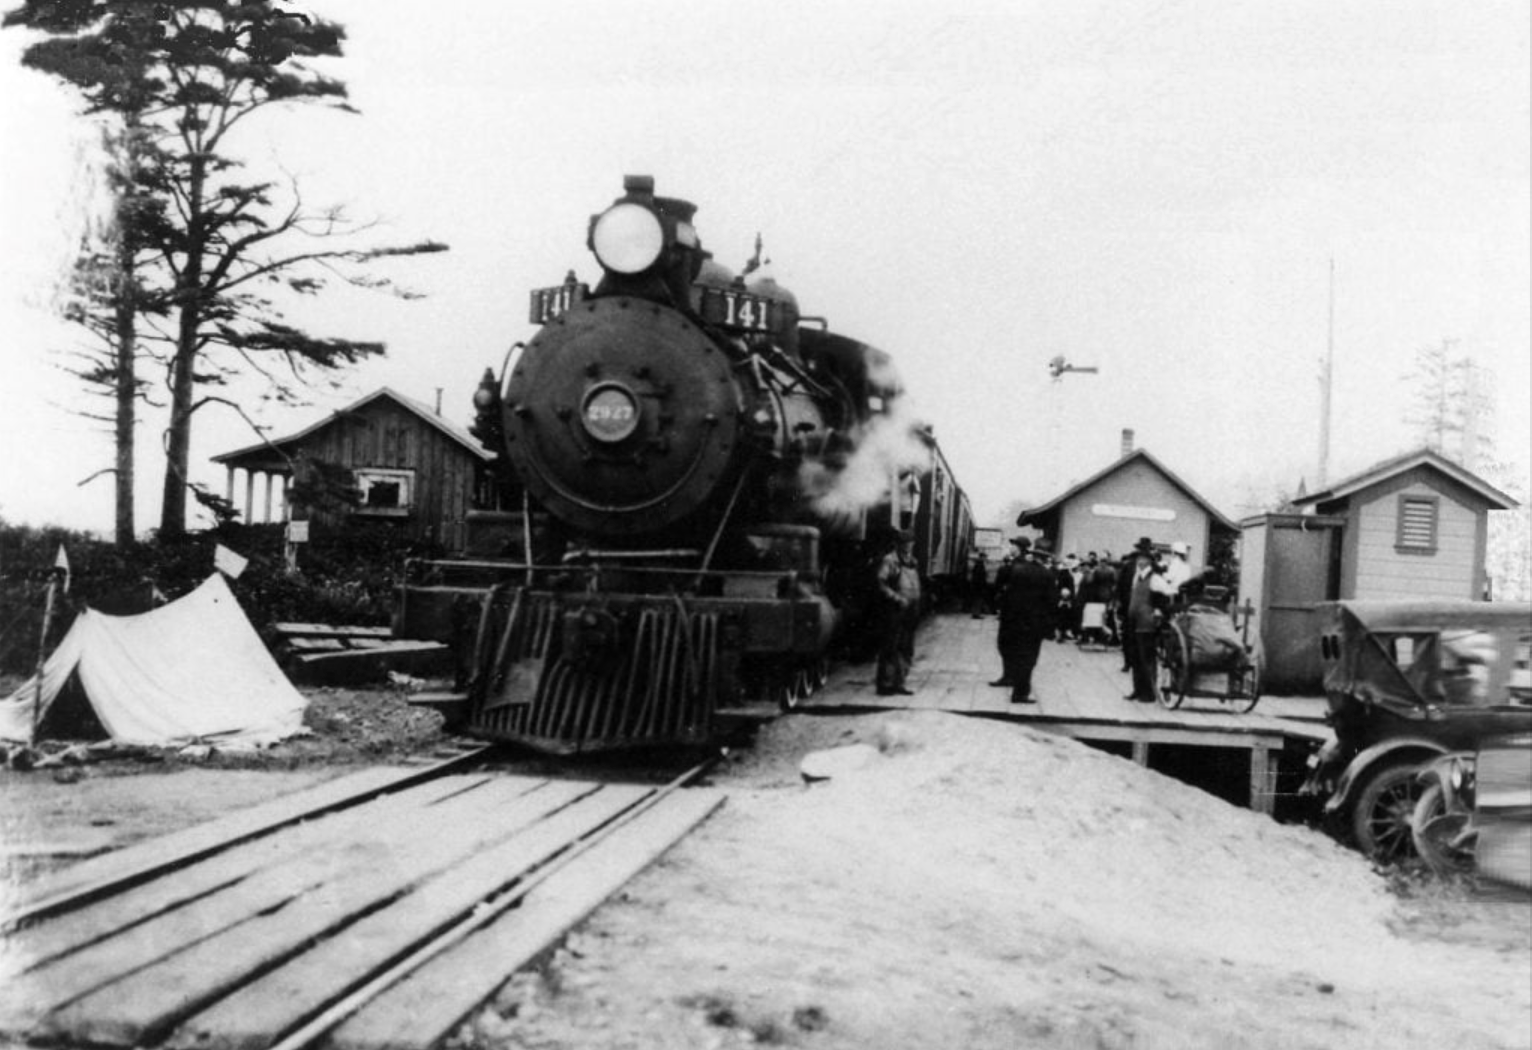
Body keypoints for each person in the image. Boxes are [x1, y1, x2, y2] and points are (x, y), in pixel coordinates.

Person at [992, 536, 1058, 704]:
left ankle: (1013, 683)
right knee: (1028, 660)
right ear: (1046, 558)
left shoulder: (1017, 570)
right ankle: (1020, 694)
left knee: (1015, 653)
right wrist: (1050, 629)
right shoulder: (1048, 575)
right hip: (1034, 625)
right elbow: (1051, 603)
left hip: (1014, 621)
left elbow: (1006, 594)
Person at [1122, 537, 1174, 702]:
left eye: (1144, 559)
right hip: (1133, 621)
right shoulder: (1136, 577)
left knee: (1146, 658)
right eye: (1139, 559)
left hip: (1147, 623)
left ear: (1150, 562)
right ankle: (1137, 689)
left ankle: (1149, 693)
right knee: (1135, 657)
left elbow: (1166, 597)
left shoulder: (1155, 578)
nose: (1141, 562)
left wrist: (1158, 611)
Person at [873, 528, 922, 696]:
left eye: (910, 543)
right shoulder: (890, 560)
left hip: (911, 611)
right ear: (898, 544)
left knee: (906, 648)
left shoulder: (912, 561)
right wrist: (896, 598)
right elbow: (881, 583)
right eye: (905, 543)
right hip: (894, 611)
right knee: (890, 647)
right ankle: (885, 684)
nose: (908, 546)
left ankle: (899, 683)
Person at [968, 552, 992, 618]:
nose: (986, 558)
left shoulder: (978, 564)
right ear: (982, 557)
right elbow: (979, 577)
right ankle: (976, 614)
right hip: (978, 586)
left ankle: (975, 613)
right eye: (985, 557)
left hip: (976, 586)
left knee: (977, 600)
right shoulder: (980, 564)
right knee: (978, 600)